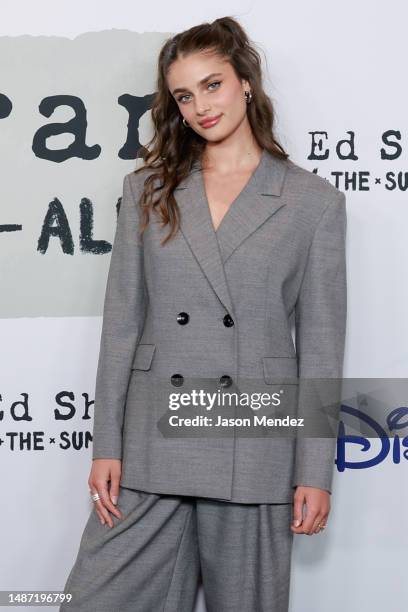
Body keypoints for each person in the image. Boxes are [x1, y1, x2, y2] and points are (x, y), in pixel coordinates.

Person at [60, 15, 347, 612]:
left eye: (212, 85)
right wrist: (105, 445)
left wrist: (314, 471)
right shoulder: (149, 189)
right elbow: (122, 326)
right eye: (184, 96)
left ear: (246, 81)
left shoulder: (312, 202)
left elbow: (320, 345)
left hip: (254, 439)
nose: (199, 107)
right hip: (150, 440)